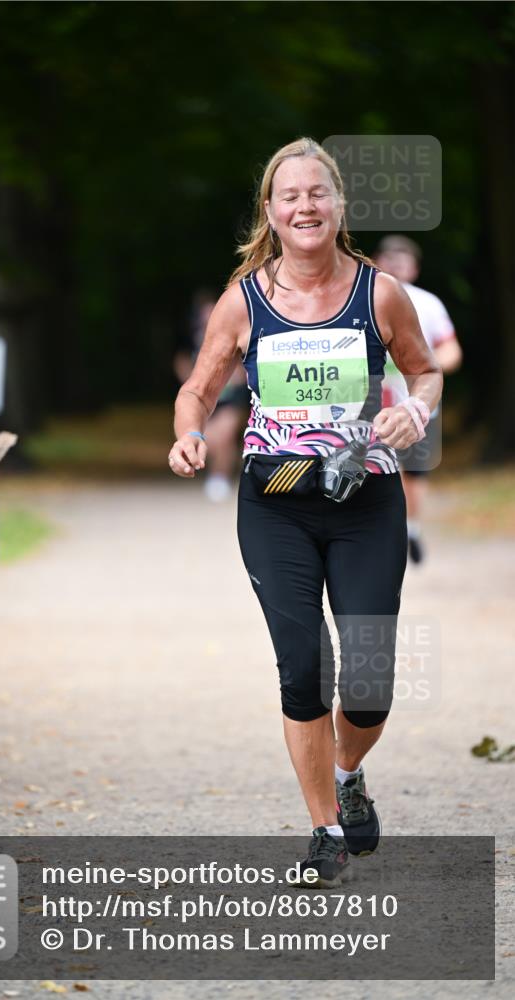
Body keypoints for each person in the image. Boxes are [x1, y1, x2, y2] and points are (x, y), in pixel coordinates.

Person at [168, 138, 442, 887]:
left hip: (365, 501)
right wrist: (189, 433)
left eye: (316, 193)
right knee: (302, 666)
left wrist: (414, 414)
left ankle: (348, 774)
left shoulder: (378, 293)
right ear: (270, 211)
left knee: (369, 680)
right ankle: (323, 829)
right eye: (289, 196)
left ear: (338, 204)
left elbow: (423, 373)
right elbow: (198, 387)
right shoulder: (245, 299)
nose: (304, 206)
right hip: (275, 503)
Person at [373, 235, 463, 563]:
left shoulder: (428, 303)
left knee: (414, 471)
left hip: (418, 402)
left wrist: (427, 371)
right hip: (372, 402)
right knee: (376, 467)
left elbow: (451, 350)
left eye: (403, 261)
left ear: (415, 267)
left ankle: (410, 528)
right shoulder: (367, 298)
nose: (396, 267)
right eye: (390, 260)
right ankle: (387, 530)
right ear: (377, 261)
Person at [173, 290, 250, 502]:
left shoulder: (235, 328)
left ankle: (220, 478)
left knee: (225, 436)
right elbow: (180, 361)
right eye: (204, 313)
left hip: (231, 398)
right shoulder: (192, 339)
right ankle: (216, 471)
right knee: (213, 440)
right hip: (205, 398)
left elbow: (247, 361)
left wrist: (238, 378)